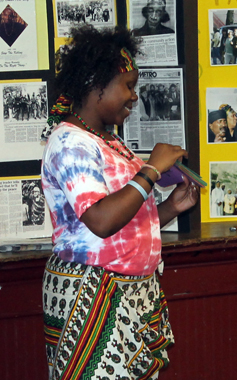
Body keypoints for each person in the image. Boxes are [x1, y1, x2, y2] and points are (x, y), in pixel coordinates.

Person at [40, 24, 199, 380]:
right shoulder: (70, 143)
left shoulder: (108, 140)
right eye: (128, 86)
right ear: (96, 83)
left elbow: (123, 228)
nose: (134, 97)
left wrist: (172, 207)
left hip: (129, 295)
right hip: (91, 293)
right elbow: (100, 220)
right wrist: (152, 170)